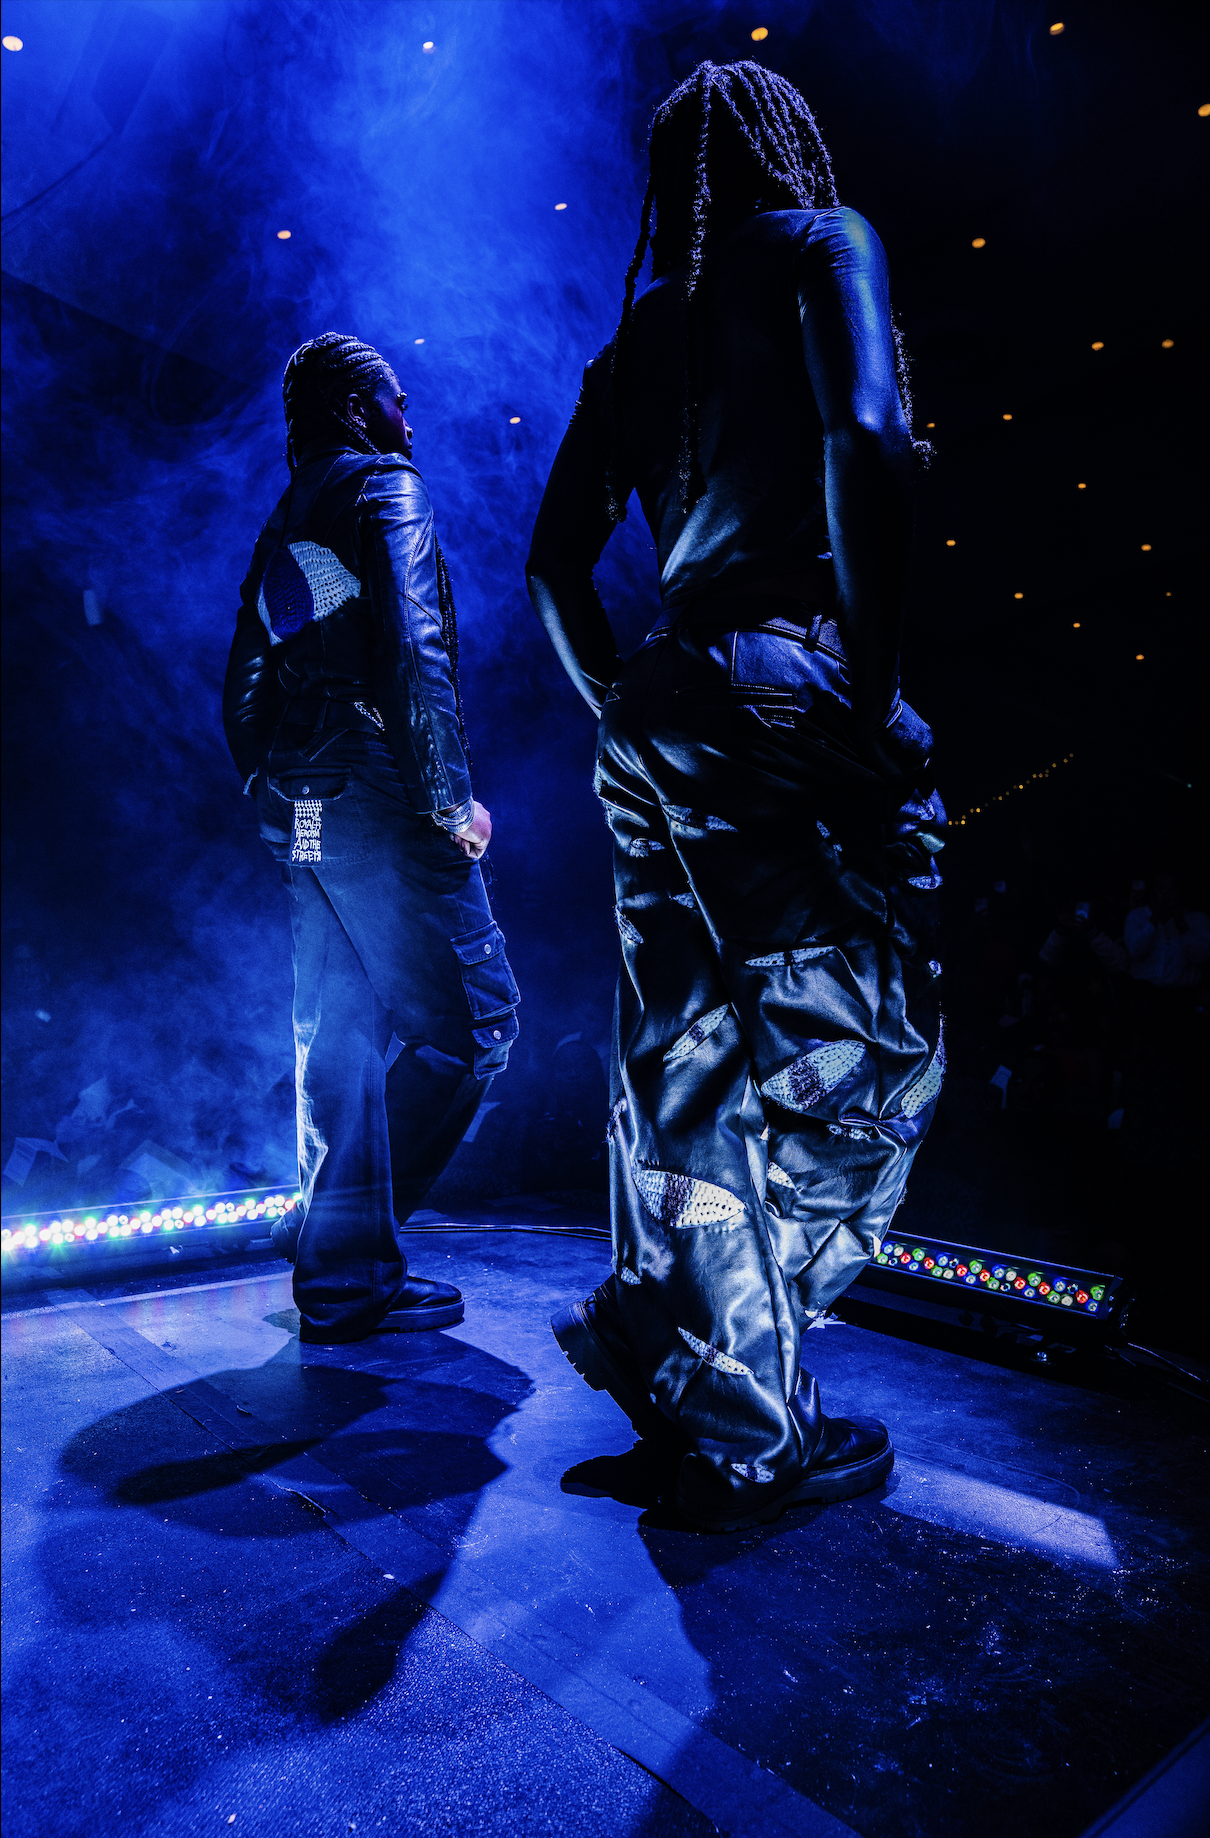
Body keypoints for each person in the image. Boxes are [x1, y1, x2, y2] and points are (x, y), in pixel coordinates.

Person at [527, 62, 945, 1531]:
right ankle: (757, 1412)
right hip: (786, 678)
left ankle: (695, 1384)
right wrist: (866, 692)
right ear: (785, 144)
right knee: (868, 1048)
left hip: (657, 704)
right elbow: (866, 441)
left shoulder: (645, 331)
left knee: (686, 1066)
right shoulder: (826, 241)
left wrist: (634, 716)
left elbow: (548, 568)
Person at [224, 333, 519, 1345]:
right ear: (357, 405)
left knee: (340, 1033)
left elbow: (244, 679)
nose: (412, 421)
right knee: (478, 1023)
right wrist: (447, 801)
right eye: (399, 400)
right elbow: (412, 646)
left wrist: (269, 779)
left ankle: (341, 1273)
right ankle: (343, 1245)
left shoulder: (289, 513)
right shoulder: (381, 486)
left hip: (303, 806)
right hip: (376, 796)